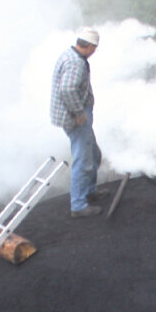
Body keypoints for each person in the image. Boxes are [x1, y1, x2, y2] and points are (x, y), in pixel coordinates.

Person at [50, 27, 103, 217]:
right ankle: (79, 206)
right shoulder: (76, 63)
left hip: (76, 114)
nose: (95, 52)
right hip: (74, 117)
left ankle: (89, 191)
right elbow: (67, 89)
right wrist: (79, 112)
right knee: (84, 159)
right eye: (94, 48)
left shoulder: (71, 55)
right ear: (89, 46)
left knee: (94, 154)